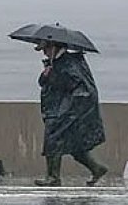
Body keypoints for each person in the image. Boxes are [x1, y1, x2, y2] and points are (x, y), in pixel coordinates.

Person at [34, 40, 108, 186]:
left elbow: (76, 87)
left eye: (46, 48)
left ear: (54, 47)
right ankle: (97, 168)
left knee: (53, 140)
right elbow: (43, 83)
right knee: (74, 145)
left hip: (65, 110)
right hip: (56, 108)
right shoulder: (55, 63)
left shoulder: (69, 64)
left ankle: (53, 177)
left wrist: (54, 77)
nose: (44, 52)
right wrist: (47, 74)